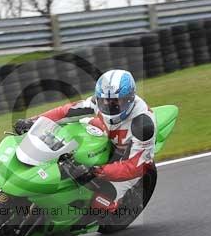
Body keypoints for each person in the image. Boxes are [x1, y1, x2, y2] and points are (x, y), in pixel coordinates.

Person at [14, 69, 156, 212]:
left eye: (115, 102)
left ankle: (118, 210)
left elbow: (137, 166)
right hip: (104, 133)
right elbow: (65, 112)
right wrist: (33, 121)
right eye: (105, 100)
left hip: (126, 155)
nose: (109, 105)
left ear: (130, 99)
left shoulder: (142, 124)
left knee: (99, 204)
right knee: (67, 131)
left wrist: (98, 171)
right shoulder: (98, 101)